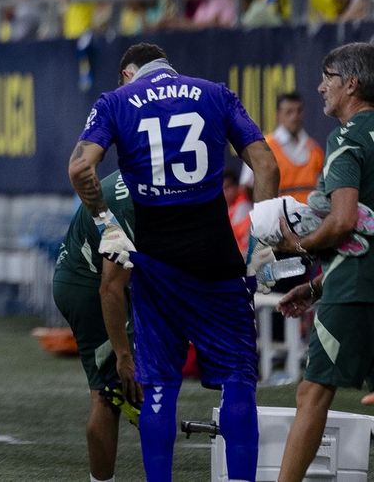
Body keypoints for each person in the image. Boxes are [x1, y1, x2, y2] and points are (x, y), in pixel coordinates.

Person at [69, 42, 280, 482]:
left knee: (161, 384)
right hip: (217, 257)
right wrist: (262, 240)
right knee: (239, 379)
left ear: (128, 74)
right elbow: (265, 164)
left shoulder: (115, 101)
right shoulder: (214, 93)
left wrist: (106, 222)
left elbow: (80, 169)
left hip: (158, 261)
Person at [274, 43, 374, 482]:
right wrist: (314, 288)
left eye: (328, 77)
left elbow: (344, 220)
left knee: (312, 393)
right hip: (354, 283)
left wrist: (300, 246)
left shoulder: (346, 137)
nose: (321, 86)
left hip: (355, 290)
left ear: (351, 84)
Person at [51, 170, 137, 482]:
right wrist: (123, 354)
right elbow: (110, 288)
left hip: (99, 277)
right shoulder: (128, 204)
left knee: (143, 383)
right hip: (87, 285)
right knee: (108, 392)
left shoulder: (145, 183)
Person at [264, 91, 324, 203]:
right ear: (278, 115)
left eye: (299, 111)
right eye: (289, 112)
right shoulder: (265, 147)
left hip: (311, 216)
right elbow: (248, 187)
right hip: (278, 216)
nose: (295, 116)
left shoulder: (315, 149)